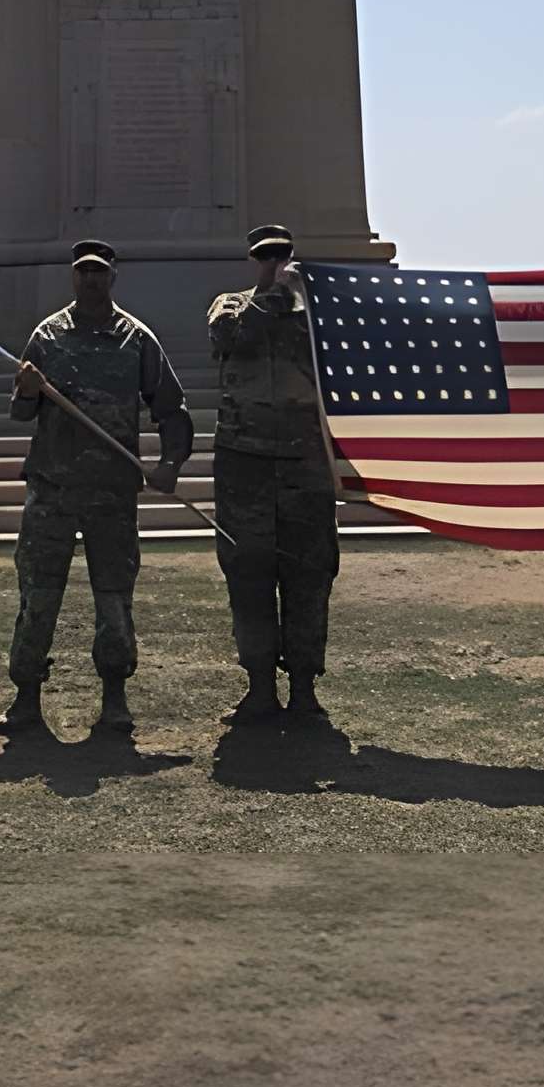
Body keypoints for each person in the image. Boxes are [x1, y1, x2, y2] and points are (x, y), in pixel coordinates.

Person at [0, 243, 193, 738]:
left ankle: (115, 698)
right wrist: (24, 389)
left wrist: (170, 463)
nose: (90, 280)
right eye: (83, 272)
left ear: (113, 278)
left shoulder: (135, 340)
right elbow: (20, 414)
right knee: (38, 594)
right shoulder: (47, 336)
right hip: (53, 488)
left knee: (113, 596)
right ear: (72, 277)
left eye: (99, 273)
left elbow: (171, 407)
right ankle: (26, 697)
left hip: (111, 491)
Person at [206, 224, 340, 721]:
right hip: (245, 461)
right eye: (264, 257)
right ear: (252, 260)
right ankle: (259, 686)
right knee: (248, 575)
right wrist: (275, 297)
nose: (273, 264)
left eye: (281, 256)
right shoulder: (232, 305)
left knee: (308, 578)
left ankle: (304, 689)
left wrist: (302, 298)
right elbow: (227, 337)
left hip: (305, 462)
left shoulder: (320, 313)